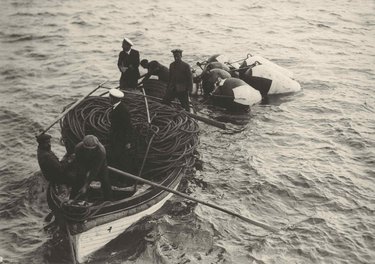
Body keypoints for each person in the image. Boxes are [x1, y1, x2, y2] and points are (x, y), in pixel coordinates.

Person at [108, 89, 137, 186]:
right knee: (115, 158)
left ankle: (126, 182)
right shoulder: (116, 107)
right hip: (116, 138)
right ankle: (117, 180)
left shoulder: (123, 110)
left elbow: (128, 127)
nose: (109, 98)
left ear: (113, 99)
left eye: (110, 97)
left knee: (122, 160)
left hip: (121, 140)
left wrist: (128, 142)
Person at [73, 135, 112, 200]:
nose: (89, 151)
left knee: (105, 179)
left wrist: (86, 185)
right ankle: (73, 197)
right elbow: (79, 165)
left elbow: (95, 170)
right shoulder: (78, 148)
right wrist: (83, 176)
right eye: (87, 149)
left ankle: (109, 199)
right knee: (79, 177)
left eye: (91, 149)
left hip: (99, 164)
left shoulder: (101, 151)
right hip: (84, 162)